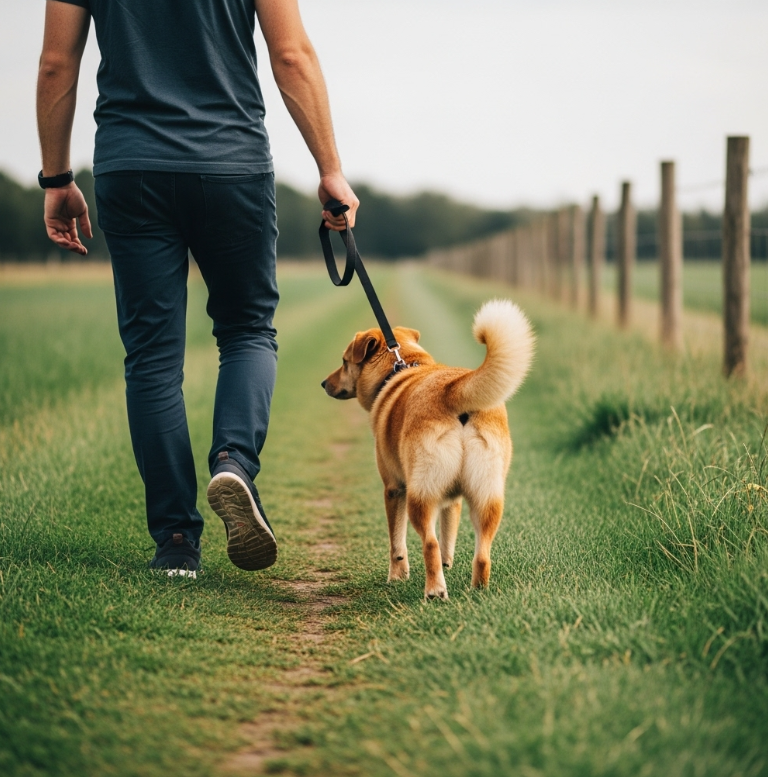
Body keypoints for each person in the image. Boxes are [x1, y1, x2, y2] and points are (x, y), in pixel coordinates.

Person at [37, 0, 359, 577]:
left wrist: (57, 177)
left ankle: (176, 541)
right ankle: (234, 462)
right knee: (247, 330)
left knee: (152, 358)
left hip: (131, 166)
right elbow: (291, 54)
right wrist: (330, 168)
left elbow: (56, 64)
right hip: (231, 163)